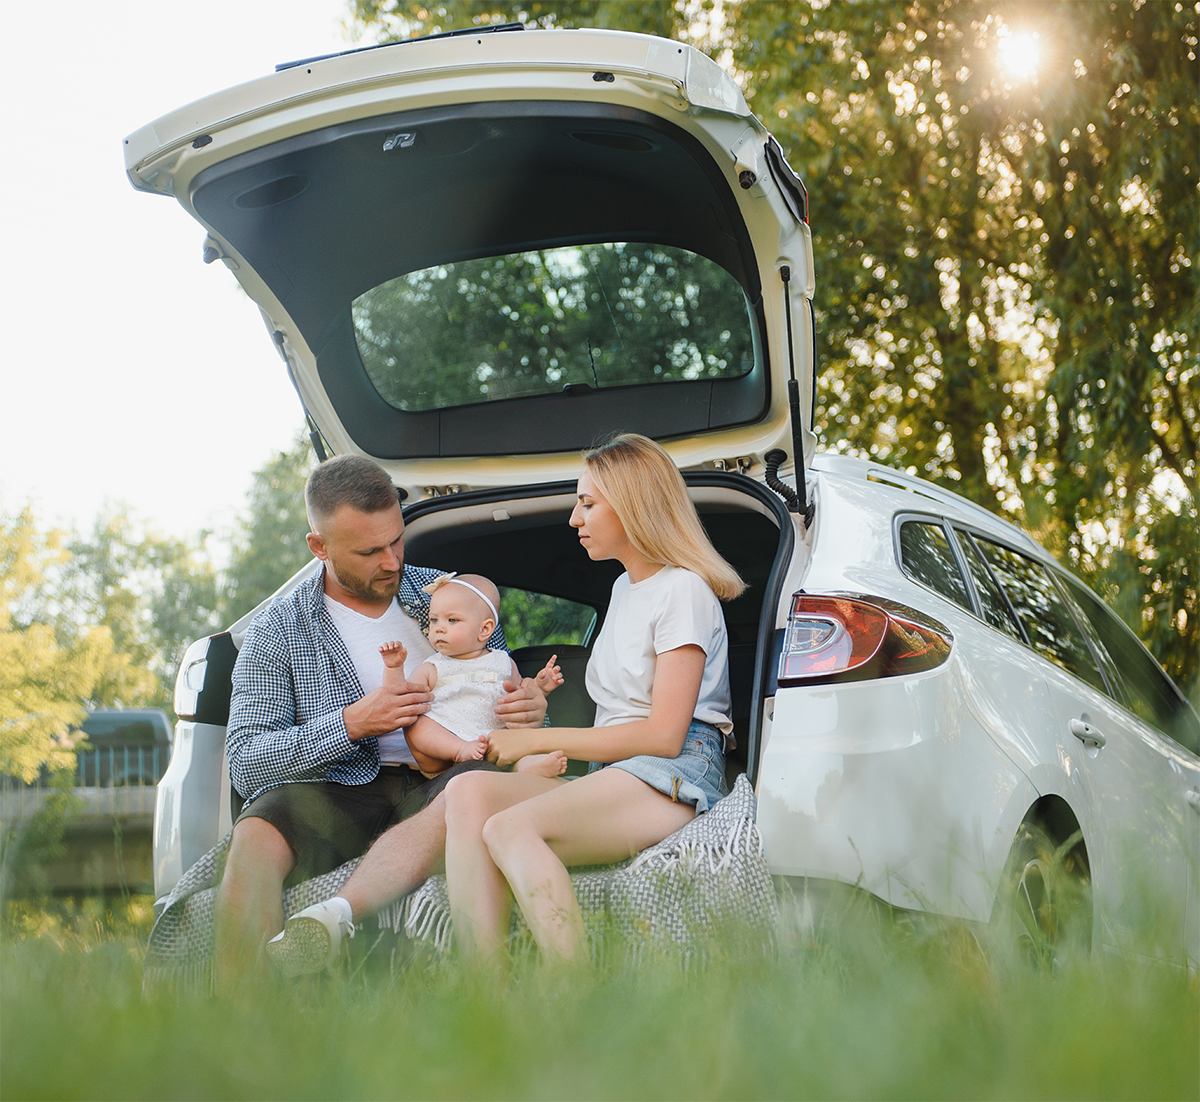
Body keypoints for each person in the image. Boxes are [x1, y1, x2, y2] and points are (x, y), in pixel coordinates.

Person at [213, 454, 547, 990]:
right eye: (370, 551)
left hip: (450, 777)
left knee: (475, 786)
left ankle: (338, 917)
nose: (392, 562)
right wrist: (350, 724)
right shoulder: (277, 629)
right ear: (318, 547)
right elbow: (248, 763)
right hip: (343, 785)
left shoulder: (446, 594)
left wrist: (530, 708)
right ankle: (243, 1023)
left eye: (396, 540)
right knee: (255, 832)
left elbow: (502, 688)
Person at [442, 432, 744, 969]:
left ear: (632, 505)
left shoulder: (684, 591)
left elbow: (663, 734)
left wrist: (534, 739)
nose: (573, 519)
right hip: (615, 770)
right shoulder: (624, 589)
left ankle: (573, 999)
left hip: (673, 770)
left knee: (510, 827)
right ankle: (482, 1004)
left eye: (587, 502)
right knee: (468, 797)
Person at [380, 572, 567, 778]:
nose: (439, 629)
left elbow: (521, 696)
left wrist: (539, 688)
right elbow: (400, 699)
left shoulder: (503, 662)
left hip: (497, 743)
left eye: (452, 620)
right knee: (417, 722)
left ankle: (526, 766)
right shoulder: (432, 667)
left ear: (485, 629)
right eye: (434, 620)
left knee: (517, 739)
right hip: (447, 748)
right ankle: (460, 751)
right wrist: (394, 667)